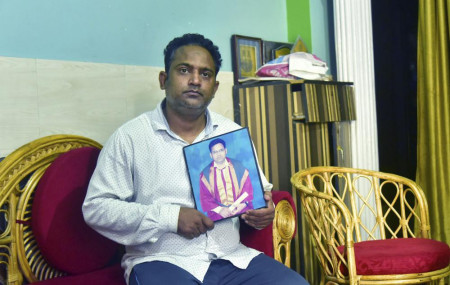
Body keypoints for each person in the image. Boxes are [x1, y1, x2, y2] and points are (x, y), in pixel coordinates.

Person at [82, 33, 308, 285]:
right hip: (163, 261)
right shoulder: (130, 138)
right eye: (184, 70)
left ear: (215, 87)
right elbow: (97, 209)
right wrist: (170, 218)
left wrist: (264, 212)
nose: (195, 81)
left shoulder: (231, 135)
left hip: (233, 259)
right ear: (163, 79)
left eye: (205, 74)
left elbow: (260, 193)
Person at [200, 138, 254, 221]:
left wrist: (242, 205)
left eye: (221, 150)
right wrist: (220, 210)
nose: (218, 154)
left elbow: (247, 188)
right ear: (211, 155)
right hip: (219, 213)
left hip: (241, 208)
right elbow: (205, 197)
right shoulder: (205, 174)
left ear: (225, 151)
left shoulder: (238, 166)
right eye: (215, 152)